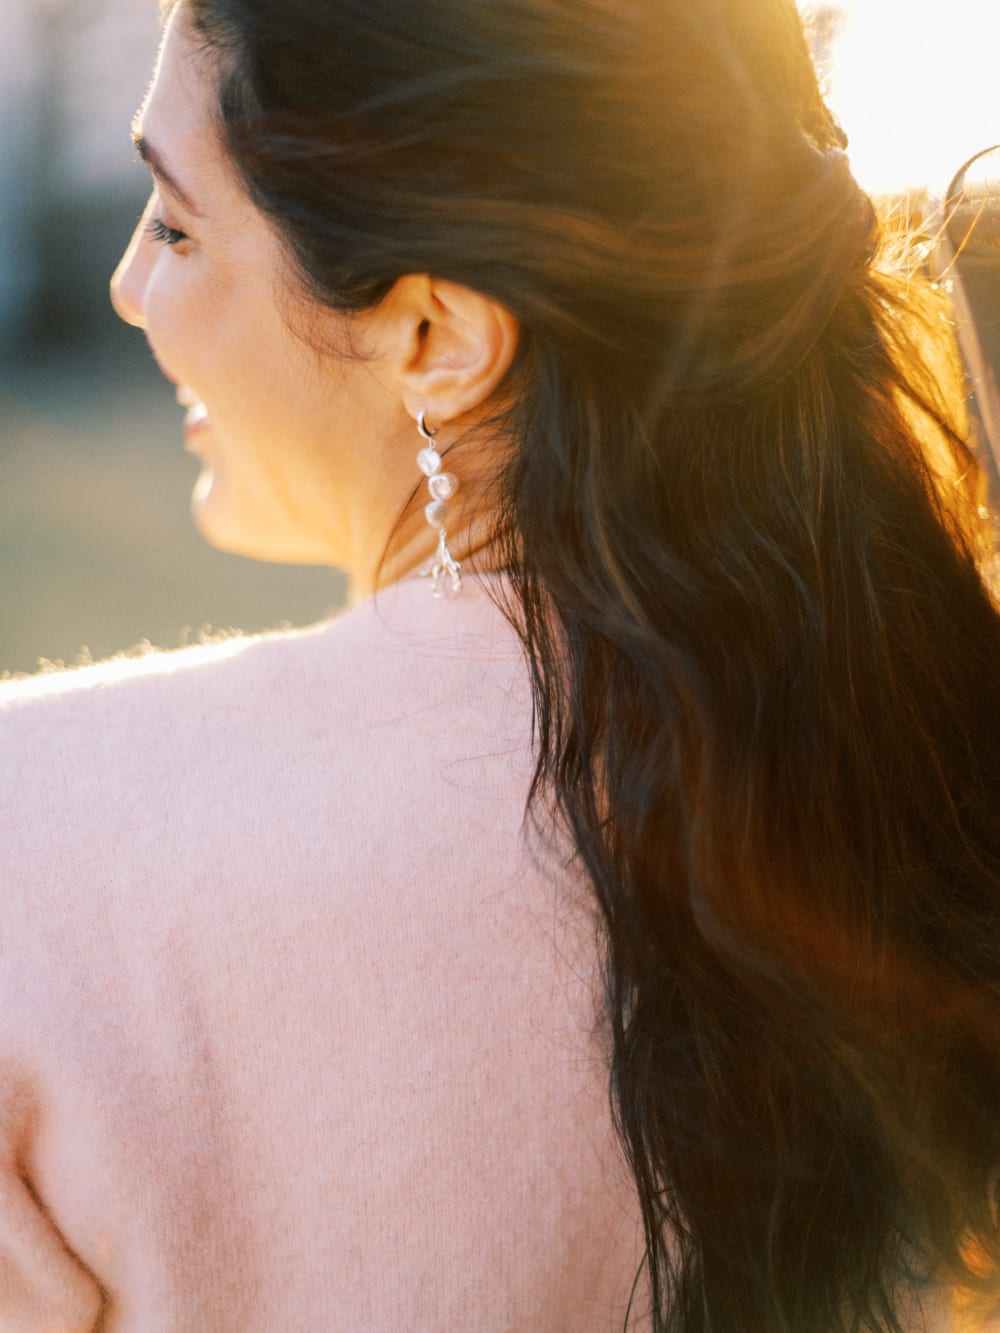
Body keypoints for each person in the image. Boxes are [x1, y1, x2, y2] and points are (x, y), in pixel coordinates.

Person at [1, 0, 999, 1329]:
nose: (130, 283)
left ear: (439, 337)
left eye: (176, 223)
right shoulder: (891, 743)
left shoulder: (41, 844)